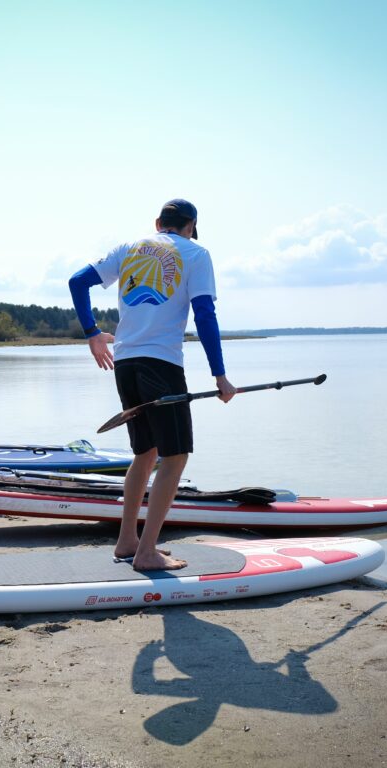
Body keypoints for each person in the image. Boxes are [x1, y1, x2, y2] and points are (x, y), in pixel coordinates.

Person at [68, 199, 237, 571]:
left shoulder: (128, 248)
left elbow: (77, 282)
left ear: (158, 222)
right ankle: (146, 553)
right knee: (174, 456)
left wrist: (93, 334)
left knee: (145, 453)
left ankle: (127, 541)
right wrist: (219, 376)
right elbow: (205, 315)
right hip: (161, 364)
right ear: (191, 226)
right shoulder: (196, 253)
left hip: (125, 363)